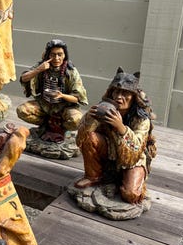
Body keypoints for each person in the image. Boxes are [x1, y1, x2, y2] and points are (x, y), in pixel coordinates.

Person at [74, 67, 156, 204]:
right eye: (116, 92)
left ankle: (128, 180)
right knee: (90, 137)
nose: (119, 97)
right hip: (110, 151)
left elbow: (136, 151)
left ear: (134, 97)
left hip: (133, 160)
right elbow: (81, 138)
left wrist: (121, 127)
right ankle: (93, 176)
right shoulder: (105, 109)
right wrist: (89, 119)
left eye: (125, 93)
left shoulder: (141, 119)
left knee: (131, 195)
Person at [16, 39, 88, 142]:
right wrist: (39, 69)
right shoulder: (42, 66)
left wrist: (62, 96)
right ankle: (46, 126)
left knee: (77, 121)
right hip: (44, 105)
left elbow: (77, 98)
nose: (56, 58)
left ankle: (60, 129)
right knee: (22, 111)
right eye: (53, 55)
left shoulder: (71, 71)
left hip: (65, 107)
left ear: (64, 55)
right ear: (48, 55)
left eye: (60, 54)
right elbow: (24, 78)